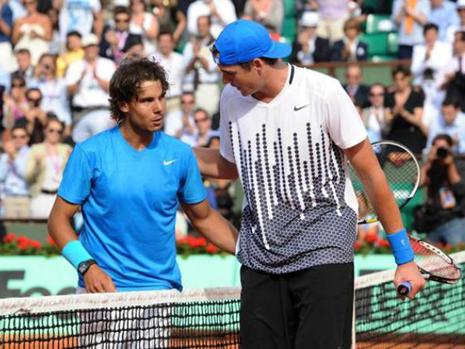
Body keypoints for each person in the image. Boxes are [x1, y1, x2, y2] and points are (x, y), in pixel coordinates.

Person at [196, 19, 425, 348]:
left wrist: (404, 258)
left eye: (230, 73)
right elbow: (229, 166)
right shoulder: (232, 99)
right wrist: (168, 152)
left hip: (324, 248)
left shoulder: (324, 91)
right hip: (261, 255)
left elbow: (371, 174)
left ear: (257, 65)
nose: (225, 81)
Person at [48, 58, 237, 294]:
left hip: (160, 291)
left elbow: (204, 217)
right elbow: (57, 221)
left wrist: (247, 250)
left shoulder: (180, 154)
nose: (158, 108)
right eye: (147, 101)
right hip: (101, 293)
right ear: (124, 105)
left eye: (161, 98)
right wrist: (87, 267)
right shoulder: (89, 153)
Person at [415, 134, 465, 244]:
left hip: (454, 219)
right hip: (432, 220)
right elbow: (417, 184)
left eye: (444, 148)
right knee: (430, 258)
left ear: (450, 148)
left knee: (456, 254)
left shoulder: (459, 163)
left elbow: (460, 189)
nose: (441, 151)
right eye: (438, 148)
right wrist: (428, 162)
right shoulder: (431, 165)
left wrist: (450, 165)